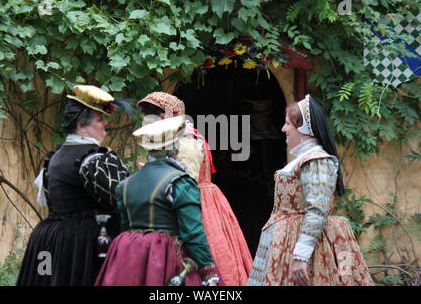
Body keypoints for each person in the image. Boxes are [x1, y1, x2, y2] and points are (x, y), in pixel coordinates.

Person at [248, 94, 374, 286]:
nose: (283, 129)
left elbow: (317, 209)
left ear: (303, 129)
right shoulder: (304, 159)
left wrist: (301, 256)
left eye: (288, 124)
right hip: (290, 238)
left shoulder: (316, 160)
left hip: (307, 243)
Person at [17, 85, 133, 286]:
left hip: (50, 239)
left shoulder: (53, 158)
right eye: (99, 119)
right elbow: (126, 199)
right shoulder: (96, 159)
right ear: (81, 125)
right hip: (85, 243)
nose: (105, 123)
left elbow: (45, 199)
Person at [136, 92, 252, 286]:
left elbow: (183, 182)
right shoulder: (181, 136)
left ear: (165, 117)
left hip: (195, 203)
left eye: (151, 116)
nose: (146, 122)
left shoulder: (185, 141)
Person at [95, 116, 221, 286]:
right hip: (165, 257)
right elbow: (192, 232)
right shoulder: (179, 181)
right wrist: (207, 269)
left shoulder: (125, 185)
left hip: (128, 257)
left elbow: (125, 226)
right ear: (175, 148)